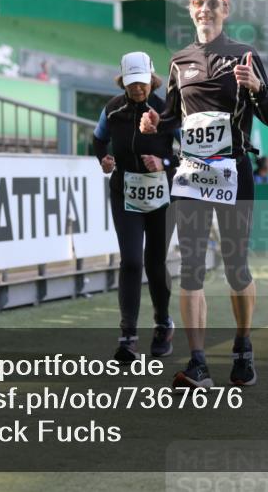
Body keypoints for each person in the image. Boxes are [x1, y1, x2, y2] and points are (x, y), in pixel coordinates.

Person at [140, 0, 268, 388]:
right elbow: (169, 117)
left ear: (226, 10)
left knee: (236, 269)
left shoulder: (244, 56)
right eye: (199, 3)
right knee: (191, 269)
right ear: (190, 9)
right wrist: (153, 124)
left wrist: (256, 88)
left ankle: (243, 346)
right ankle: (198, 362)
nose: (205, 10)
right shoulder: (180, 60)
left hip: (234, 173)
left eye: (213, 4)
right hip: (192, 176)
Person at [93, 52, 177, 362]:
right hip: (124, 192)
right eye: (132, 85)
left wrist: (164, 162)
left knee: (155, 263)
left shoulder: (168, 108)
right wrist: (102, 159)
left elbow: (187, 152)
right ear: (123, 83)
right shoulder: (113, 109)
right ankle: (127, 337)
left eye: (142, 83)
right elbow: (98, 139)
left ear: (151, 79)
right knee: (130, 261)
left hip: (161, 195)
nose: (138, 90)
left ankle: (163, 324)